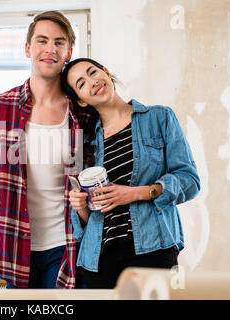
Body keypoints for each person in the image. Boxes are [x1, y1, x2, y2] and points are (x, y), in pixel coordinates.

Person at [0, 11, 82, 289]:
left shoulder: (82, 113)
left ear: (69, 52)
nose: (50, 49)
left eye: (59, 43)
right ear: (28, 48)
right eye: (42, 41)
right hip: (13, 248)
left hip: (68, 249)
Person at [60, 58, 200, 289]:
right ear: (81, 101)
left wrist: (134, 193)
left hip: (154, 251)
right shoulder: (84, 144)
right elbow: (90, 217)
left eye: (93, 72)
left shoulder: (160, 118)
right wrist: (81, 206)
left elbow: (189, 181)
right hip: (98, 261)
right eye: (82, 84)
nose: (93, 82)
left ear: (105, 72)